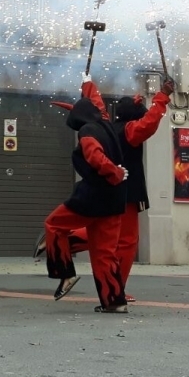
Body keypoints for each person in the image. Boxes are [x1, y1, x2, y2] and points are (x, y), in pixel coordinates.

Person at [61, 74, 173, 300]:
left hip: (110, 189)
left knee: (107, 232)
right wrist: (163, 96)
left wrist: (87, 83)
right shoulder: (131, 130)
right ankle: (116, 288)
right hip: (126, 192)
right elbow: (150, 122)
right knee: (125, 241)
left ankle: (67, 239)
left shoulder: (107, 125)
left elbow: (97, 103)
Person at [43, 96, 130, 313]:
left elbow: (95, 157)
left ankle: (65, 274)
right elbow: (97, 104)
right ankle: (114, 302)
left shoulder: (87, 131)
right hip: (115, 198)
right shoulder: (107, 127)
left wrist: (114, 172)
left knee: (53, 225)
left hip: (93, 196)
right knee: (105, 253)